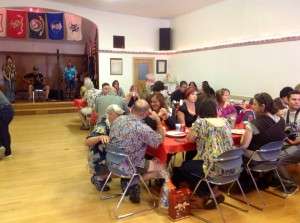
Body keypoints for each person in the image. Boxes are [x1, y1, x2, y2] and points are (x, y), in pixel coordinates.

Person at [181, 98, 234, 209]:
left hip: (214, 167)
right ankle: (215, 191)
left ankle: (205, 193)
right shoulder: (225, 121)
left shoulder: (201, 123)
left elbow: (190, 139)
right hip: (231, 166)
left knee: (185, 166)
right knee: (198, 166)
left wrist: (198, 120)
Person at [109, 99, 165, 203]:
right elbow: (159, 140)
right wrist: (157, 120)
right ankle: (131, 182)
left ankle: (129, 181)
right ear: (147, 112)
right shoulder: (142, 128)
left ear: (132, 108)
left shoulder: (118, 119)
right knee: (161, 167)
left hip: (113, 160)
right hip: (128, 164)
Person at [239, 93, 288, 193]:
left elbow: (244, 146)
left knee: (236, 153)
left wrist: (243, 137)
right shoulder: (281, 121)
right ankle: (260, 178)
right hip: (274, 157)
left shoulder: (253, 125)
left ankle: (246, 182)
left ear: (262, 107)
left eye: (254, 104)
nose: (252, 106)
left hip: (257, 158)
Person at [85, 104, 125, 191]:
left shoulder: (113, 124)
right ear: (111, 114)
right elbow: (87, 142)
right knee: (127, 167)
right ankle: (99, 177)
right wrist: (99, 137)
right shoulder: (102, 126)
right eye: (118, 114)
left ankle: (103, 176)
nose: (120, 116)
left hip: (106, 158)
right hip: (99, 163)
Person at [271, 90, 300, 196]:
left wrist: (295, 141)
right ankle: (279, 180)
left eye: (299, 100)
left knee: (278, 159)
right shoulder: (283, 113)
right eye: (294, 99)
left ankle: (291, 185)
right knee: (269, 155)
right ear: (287, 100)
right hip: (286, 142)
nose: (297, 102)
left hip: (297, 145)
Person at [177, 87, 200, 160]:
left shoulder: (199, 105)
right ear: (187, 95)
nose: (195, 96)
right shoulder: (182, 108)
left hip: (199, 132)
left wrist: (194, 114)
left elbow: (203, 120)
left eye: (196, 94)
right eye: (192, 94)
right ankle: (186, 164)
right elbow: (183, 126)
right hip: (188, 134)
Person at [0, 90, 14, 159]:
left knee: (3, 130)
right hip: (9, 109)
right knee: (3, 130)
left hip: (2, 110)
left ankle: (3, 148)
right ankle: (6, 151)